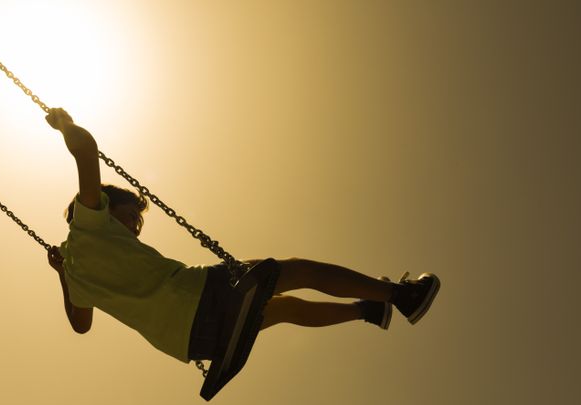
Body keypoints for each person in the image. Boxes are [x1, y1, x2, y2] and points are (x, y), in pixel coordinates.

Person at [44, 108, 441, 363]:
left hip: (195, 343)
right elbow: (86, 150)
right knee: (297, 270)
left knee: (282, 310)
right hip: (198, 295)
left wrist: (61, 274)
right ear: (105, 206)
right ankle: (400, 296)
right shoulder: (90, 222)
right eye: (131, 216)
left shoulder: (76, 273)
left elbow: (81, 324)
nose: (135, 227)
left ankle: (366, 310)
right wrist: (63, 123)